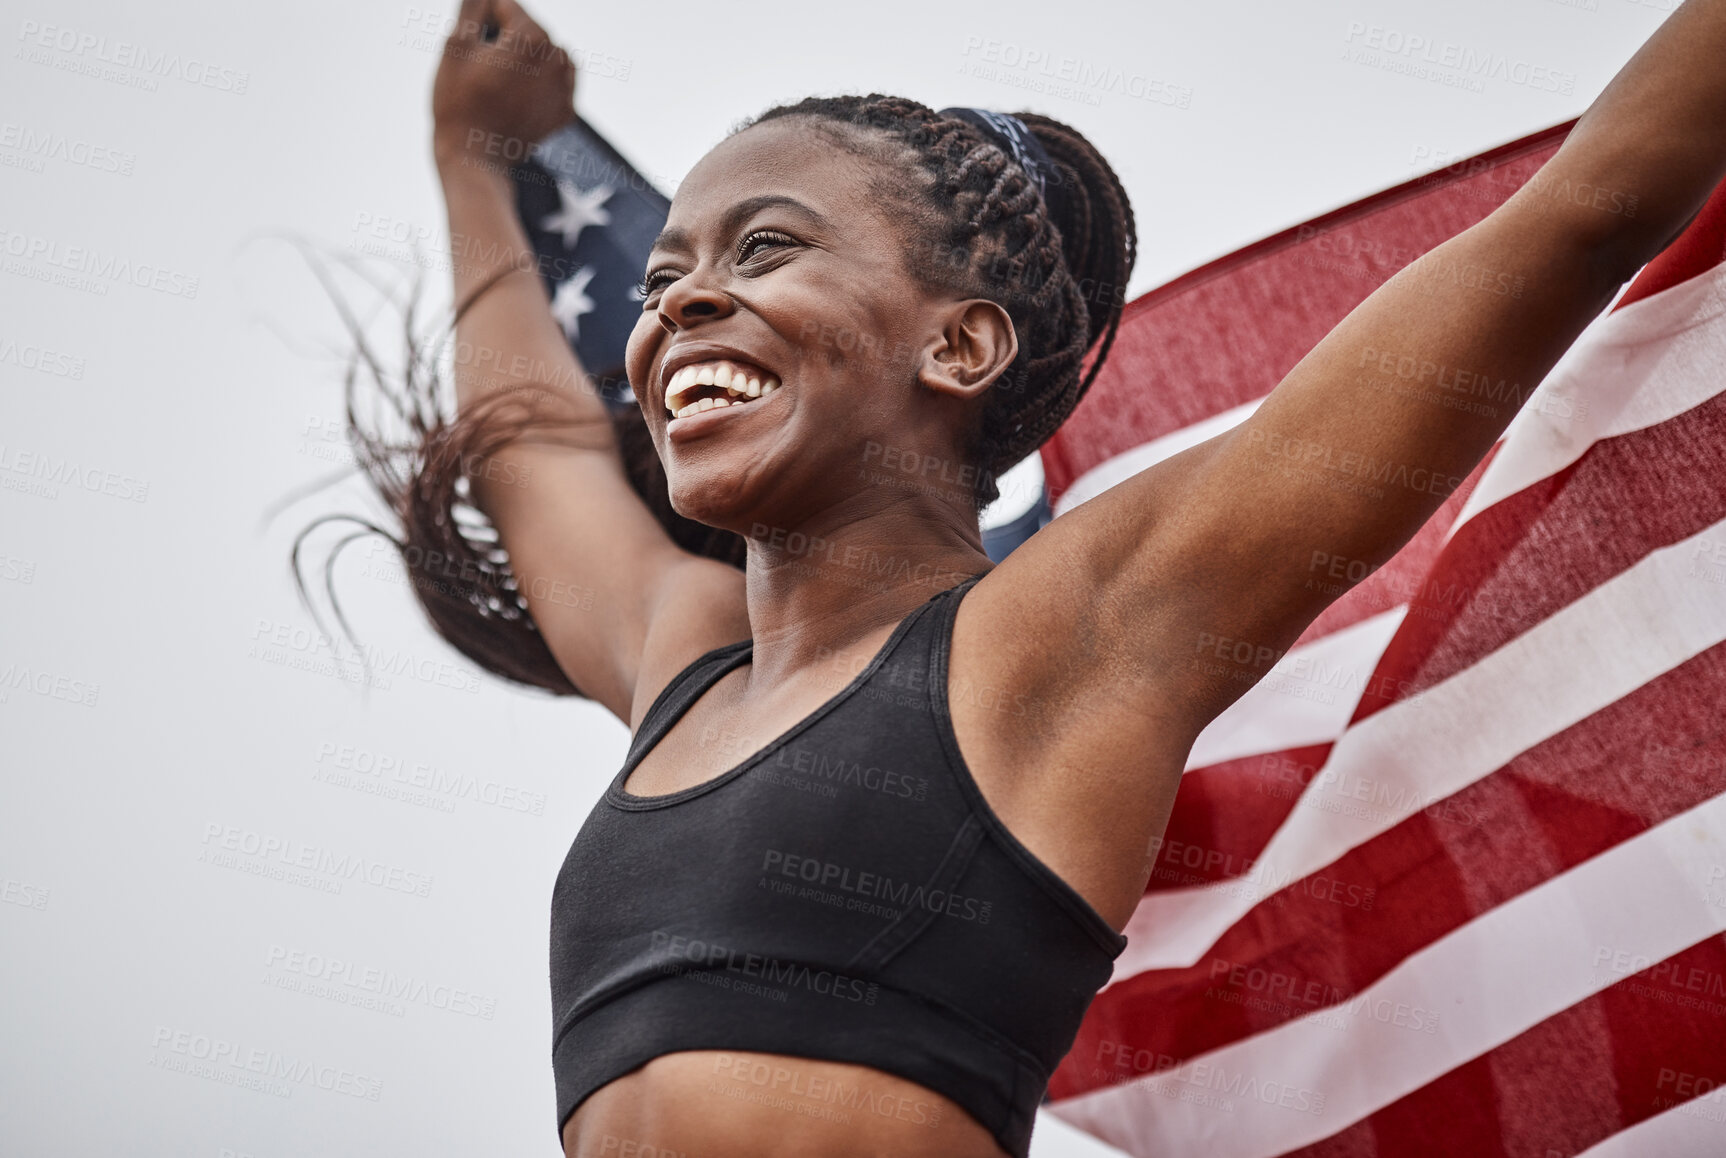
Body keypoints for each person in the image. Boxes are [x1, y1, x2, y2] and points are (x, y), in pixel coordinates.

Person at [362, 0, 1726, 1153]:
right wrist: (471, 154)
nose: (678, 305)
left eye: (762, 247)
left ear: (958, 346)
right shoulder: (681, 659)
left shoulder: (1071, 631)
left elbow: (1575, 218)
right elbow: (531, 451)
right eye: (664, 279)